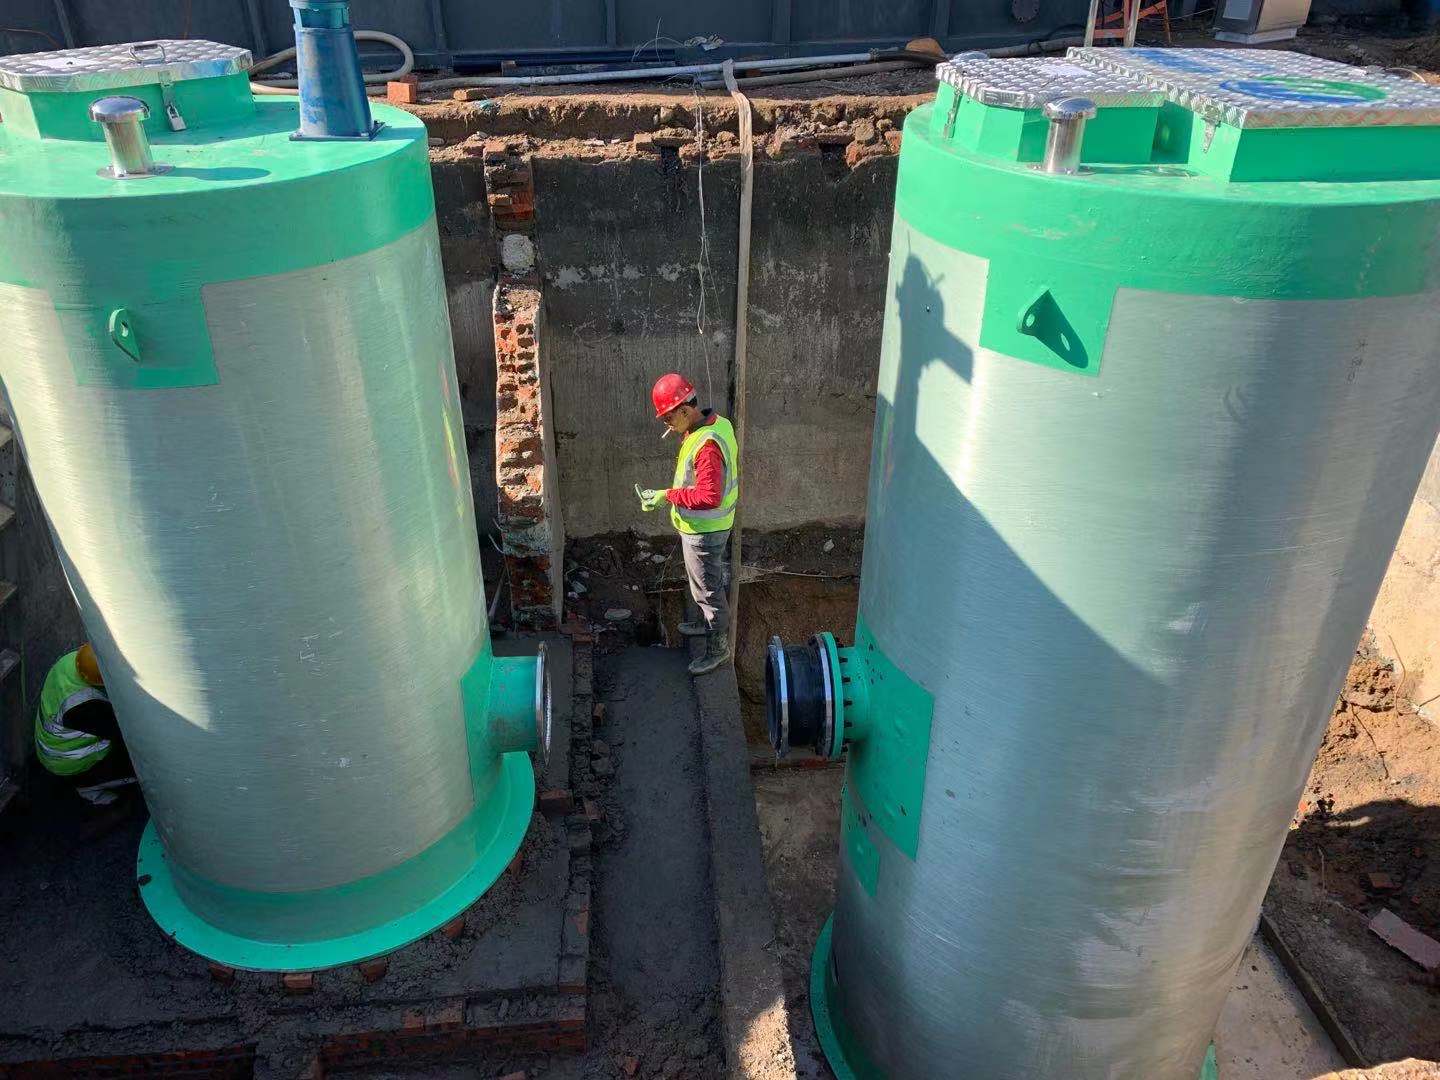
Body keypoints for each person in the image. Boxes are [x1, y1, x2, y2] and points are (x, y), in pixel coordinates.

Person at [637, 373, 740, 677]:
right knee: (701, 583)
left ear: (684, 410)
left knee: (709, 591)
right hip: (704, 528)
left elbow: (709, 496)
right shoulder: (714, 424)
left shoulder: (706, 444)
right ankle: (701, 623)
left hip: (706, 532)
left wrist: (666, 496)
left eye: (668, 419)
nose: (666, 425)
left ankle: (718, 650)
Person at [33, 643, 135, 805]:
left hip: (53, 746)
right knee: (138, 766)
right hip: (70, 763)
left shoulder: (71, 661)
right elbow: (126, 734)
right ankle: (89, 787)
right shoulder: (83, 708)